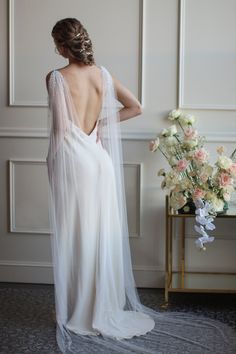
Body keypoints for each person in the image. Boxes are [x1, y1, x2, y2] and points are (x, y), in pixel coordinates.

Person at [46, 18, 236, 354]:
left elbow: (61, 133)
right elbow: (136, 107)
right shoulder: (102, 75)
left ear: (62, 46)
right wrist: (103, 122)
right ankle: (98, 307)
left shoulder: (57, 78)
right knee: (99, 234)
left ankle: (80, 310)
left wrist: (51, 164)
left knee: (75, 234)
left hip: (73, 162)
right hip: (99, 162)